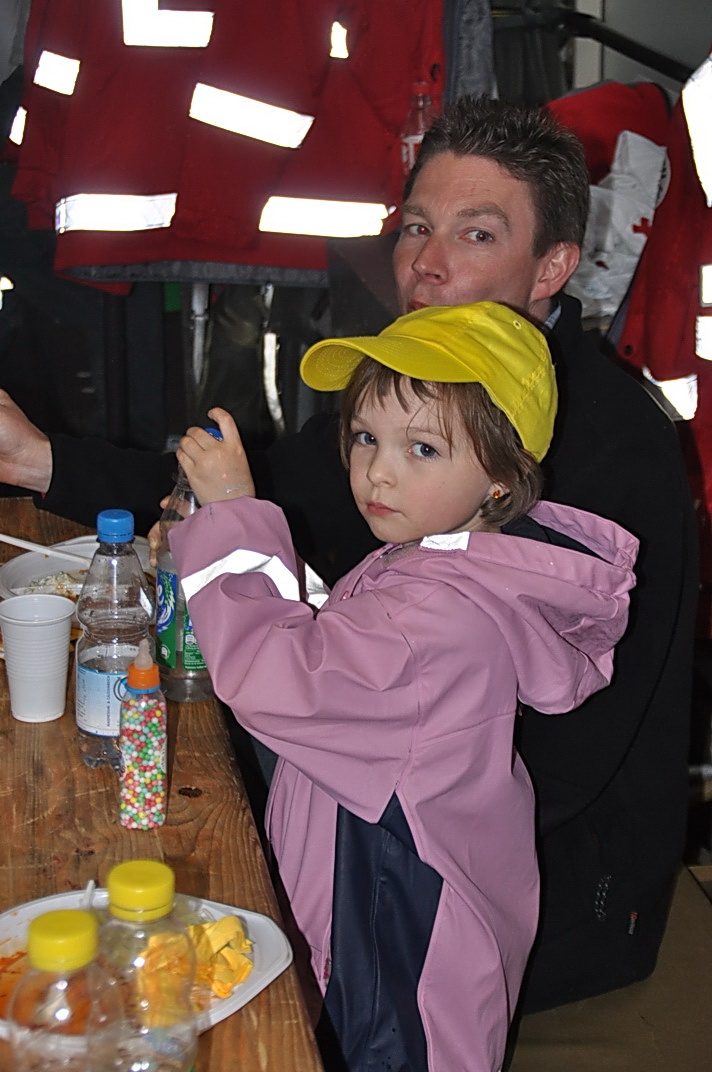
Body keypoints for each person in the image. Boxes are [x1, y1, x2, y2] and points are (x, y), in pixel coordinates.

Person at [0, 96, 697, 1013]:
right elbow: (256, 489)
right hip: (375, 829)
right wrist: (39, 460)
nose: (426, 261)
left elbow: (560, 762)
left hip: (501, 910)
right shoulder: (420, 384)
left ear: (552, 268)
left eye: (477, 233)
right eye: (416, 226)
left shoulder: (609, 443)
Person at [168, 301, 636, 1072]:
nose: (379, 471)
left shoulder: (434, 615)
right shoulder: (449, 562)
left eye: (422, 447)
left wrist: (231, 521)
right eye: (365, 437)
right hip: (412, 902)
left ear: (502, 478)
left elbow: (279, 678)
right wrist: (224, 541)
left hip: (392, 930)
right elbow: (352, 638)